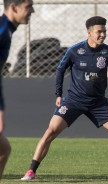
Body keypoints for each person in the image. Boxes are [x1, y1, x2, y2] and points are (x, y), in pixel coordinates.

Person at [21, 16, 108, 181]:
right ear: (89, 32)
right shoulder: (75, 51)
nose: (103, 35)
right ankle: (31, 172)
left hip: (98, 103)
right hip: (73, 100)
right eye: (99, 32)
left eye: (104, 31)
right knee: (50, 131)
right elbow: (60, 70)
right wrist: (58, 94)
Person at [0, 0, 34, 179]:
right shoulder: (2, 31)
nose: (32, 11)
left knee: (3, 150)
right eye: (28, 7)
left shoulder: (6, 30)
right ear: (14, 7)